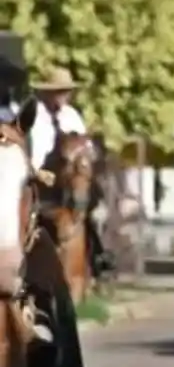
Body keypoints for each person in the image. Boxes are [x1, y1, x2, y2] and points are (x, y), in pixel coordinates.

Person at [29, 68, 113, 277]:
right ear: (46, 93)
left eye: (65, 91)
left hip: (69, 176)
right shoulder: (33, 117)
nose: (62, 96)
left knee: (92, 201)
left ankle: (97, 254)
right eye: (58, 91)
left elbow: (85, 147)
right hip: (39, 176)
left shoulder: (72, 116)